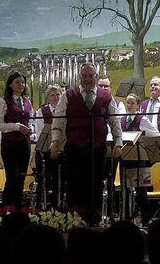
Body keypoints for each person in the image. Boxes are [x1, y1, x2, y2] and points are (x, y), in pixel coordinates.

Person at [50, 64, 122, 224]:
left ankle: (94, 220)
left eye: (91, 76)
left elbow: (114, 120)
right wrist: (55, 141)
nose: (88, 79)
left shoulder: (106, 97)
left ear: (96, 76)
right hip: (75, 148)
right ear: (79, 77)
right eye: (85, 76)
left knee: (96, 184)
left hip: (97, 148)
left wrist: (118, 142)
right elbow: (59, 119)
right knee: (75, 184)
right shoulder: (68, 95)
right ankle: (74, 220)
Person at [0, 72, 34, 209]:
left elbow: (31, 121)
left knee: (21, 178)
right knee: (12, 178)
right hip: (10, 144)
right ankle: (6, 208)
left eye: (22, 82)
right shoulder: (3, 102)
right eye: (17, 82)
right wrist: (16, 127)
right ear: (10, 85)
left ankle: (18, 208)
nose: (21, 85)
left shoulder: (27, 102)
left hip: (24, 144)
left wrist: (31, 129)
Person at [120, 93, 158, 225]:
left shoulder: (142, 119)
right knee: (126, 189)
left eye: (131, 103)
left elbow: (155, 134)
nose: (129, 105)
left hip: (140, 160)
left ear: (138, 105)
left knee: (141, 191)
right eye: (127, 103)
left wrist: (142, 137)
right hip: (126, 159)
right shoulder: (122, 119)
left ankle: (146, 219)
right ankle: (127, 218)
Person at [97, 75, 125, 219]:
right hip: (98, 146)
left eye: (105, 86)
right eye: (100, 86)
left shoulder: (118, 104)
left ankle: (111, 211)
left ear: (110, 88)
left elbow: (116, 123)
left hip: (111, 147)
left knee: (111, 181)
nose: (103, 89)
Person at [34, 84, 65, 208]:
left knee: (61, 180)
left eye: (58, 94)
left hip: (61, 150)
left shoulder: (65, 110)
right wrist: (52, 146)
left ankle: (59, 205)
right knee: (45, 180)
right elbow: (41, 132)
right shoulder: (42, 111)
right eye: (53, 95)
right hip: (45, 151)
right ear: (48, 98)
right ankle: (43, 205)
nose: (56, 97)